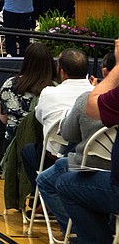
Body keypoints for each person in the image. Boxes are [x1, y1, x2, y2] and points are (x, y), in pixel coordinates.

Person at [36, 50, 115, 235]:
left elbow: (68, 134)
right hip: (110, 166)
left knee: (52, 180)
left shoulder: (88, 100)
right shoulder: (90, 94)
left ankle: (77, 233)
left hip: (91, 167)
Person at [54, 39, 119, 243]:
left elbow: (91, 108)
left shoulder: (83, 97)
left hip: (107, 178)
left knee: (64, 180)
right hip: (106, 169)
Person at [22, 48, 93, 184]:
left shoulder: (49, 93)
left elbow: (40, 118)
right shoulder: (98, 94)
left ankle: (44, 197)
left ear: (61, 71)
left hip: (58, 159)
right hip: (94, 160)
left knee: (28, 150)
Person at [0, 42, 56, 149]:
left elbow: (3, 118)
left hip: (13, 144)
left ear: (26, 61)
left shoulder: (9, 84)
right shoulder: (56, 88)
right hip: (44, 147)